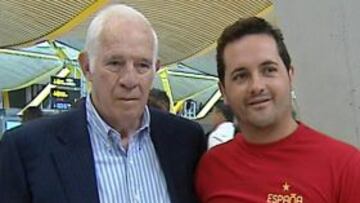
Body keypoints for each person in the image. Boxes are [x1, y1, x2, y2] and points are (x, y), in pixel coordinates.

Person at [0, 4, 206, 203]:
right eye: (115, 63)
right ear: (87, 66)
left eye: (142, 65)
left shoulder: (185, 141)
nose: (130, 80)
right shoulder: (28, 149)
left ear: (156, 68)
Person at [195, 17, 360, 203]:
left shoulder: (346, 166)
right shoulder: (211, 168)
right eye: (241, 76)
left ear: (290, 76)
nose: (256, 86)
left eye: (269, 70)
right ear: (223, 90)